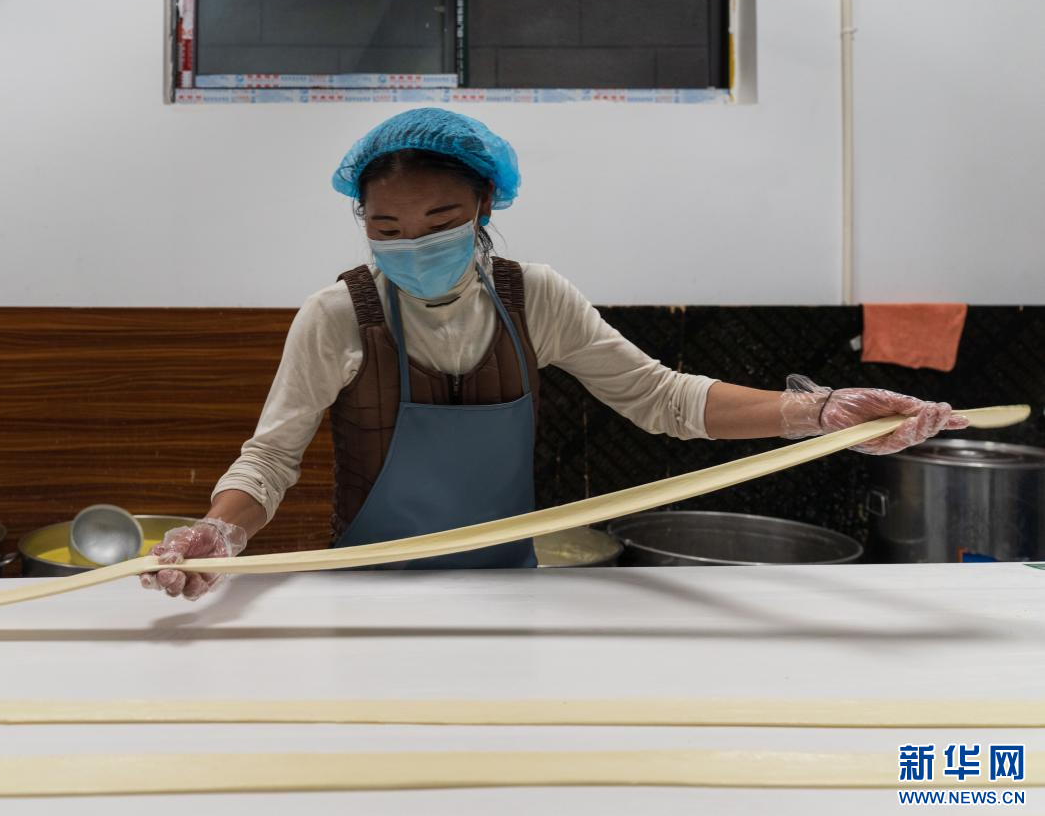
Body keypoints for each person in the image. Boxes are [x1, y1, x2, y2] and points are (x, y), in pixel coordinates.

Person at [141, 108, 967, 600]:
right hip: (367, 592)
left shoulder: (533, 298)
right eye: (385, 228)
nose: (412, 244)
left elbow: (662, 399)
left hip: (510, 590)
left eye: (439, 222)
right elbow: (270, 459)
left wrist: (818, 412)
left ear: (483, 204)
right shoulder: (337, 316)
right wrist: (221, 531)